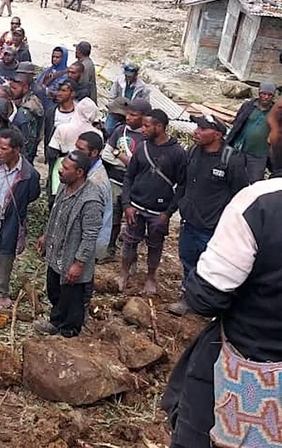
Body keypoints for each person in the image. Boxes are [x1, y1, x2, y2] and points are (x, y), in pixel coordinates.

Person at [161, 98, 282, 448]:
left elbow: (205, 297)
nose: (270, 141)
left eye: (274, 133)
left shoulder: (260, 202)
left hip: (250, 366)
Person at [167, 115, 248, 316]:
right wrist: (175, 209)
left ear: (218, 134)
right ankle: (188, 297)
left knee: (212, 267)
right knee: (188, 260)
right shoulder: (193, 151)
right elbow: (184, 183)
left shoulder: (231, 160)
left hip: (214, 227)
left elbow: (240, 196)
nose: (197, 131)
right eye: (197, 127)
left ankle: (210, 305)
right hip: (190, 221)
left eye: (203, 129)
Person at [35, 150, 103, 337]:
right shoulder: (64, 188)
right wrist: (47, 235)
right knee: (55, 291)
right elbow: (55, 216)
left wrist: (79, 263)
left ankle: (69, 331)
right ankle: (55, 322)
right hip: (56, 255)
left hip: (71, 259)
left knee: (72, 297)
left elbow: (90, 235)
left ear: (79, 172)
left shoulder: (90, 200)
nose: (60, 170)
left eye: (65, 168)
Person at [119, 109, 187, 294]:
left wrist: (168, 213)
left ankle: (150, 277)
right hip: (136, 206)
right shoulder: (141, 147)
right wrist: (127, 205)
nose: (143, 129)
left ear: (160, 126)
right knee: (130, 241)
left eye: (147, 126)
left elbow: (182, 185)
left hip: (159, 211)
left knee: (155, 245)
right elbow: (129, 177)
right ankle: (124, 273)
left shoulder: (178, 153)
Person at [0, 128, 41, 308]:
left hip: (11, 219)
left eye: (4, 149)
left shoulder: (29, 175)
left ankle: (0, 291)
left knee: (5, 253)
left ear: (17, 150)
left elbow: (32, 195)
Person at [100, 98, 150, 263]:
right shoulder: (119, 130)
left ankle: (130, 257)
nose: (128, 117)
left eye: (134, 115)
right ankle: (109, 248)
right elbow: (106, 154)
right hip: (115, 180)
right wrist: (129, 161)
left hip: (136, 185)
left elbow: (142, 164)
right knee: (112, 217)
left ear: (144, 117)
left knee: (133, 221)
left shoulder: (146, 137)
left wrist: (118, 154)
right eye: (128, 114)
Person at [226, 82, 275, 183]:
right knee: (232, 176)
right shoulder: (248, 105)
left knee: (255, 181)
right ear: (259, 93)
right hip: (239, 149)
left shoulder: (276, 112)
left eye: (270, 95)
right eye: (264, 94)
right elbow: (237, 123)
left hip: (259, 153)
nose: (266, 97)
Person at [75, 132, 113, 261]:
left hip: (89, 244)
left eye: (81, 149)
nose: (75, 152)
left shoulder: (97, 182)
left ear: (94, 152)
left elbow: (92, 224)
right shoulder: (86, 170)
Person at [9, 67, 44, 162]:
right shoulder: (26, 101)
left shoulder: (26, 112)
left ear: (25, 87)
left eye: (14, 88)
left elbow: (27, 142)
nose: (11, 90)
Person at [34, 46, 69, 111]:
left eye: (57, 57)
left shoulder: (66, 75)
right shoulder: (47, 71)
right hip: (39, 104)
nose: (54, 59)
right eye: (53, 56)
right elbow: (36, 85)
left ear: (63, 58)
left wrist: (44, 89)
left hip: (53, 107)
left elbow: (57, 92)